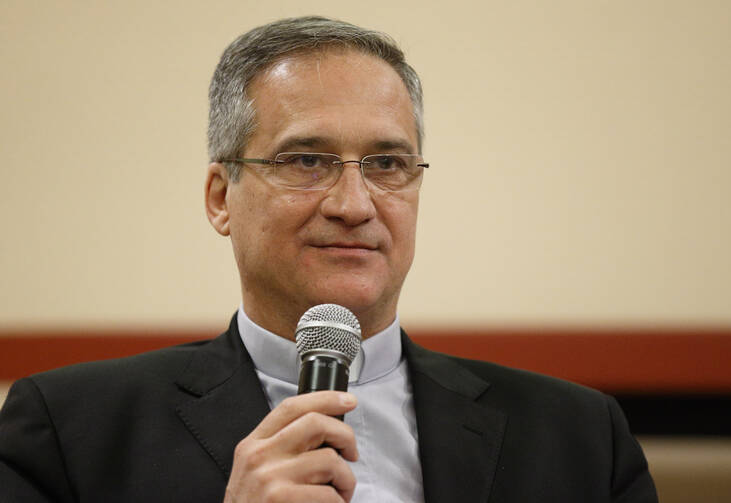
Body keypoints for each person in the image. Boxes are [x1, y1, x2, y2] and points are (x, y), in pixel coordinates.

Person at [0, 16, 657, 503]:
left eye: (387, 164)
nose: (353, 203)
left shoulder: (578, 436)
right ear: (219, 196)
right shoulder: (69, 428)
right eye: (306, 160)